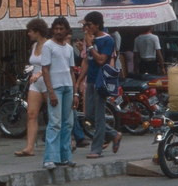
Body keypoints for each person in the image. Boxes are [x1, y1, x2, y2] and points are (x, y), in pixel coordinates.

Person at [77, 11, 121, 158]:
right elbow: (87, 62)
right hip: (90, 80)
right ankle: (113, 134)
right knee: (89, 115)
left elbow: (101, 60)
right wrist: (79, 81)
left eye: (89, 25)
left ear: (97, 25)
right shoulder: (89, 39)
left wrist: (90, 46)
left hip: (101, 81)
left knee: (99, 115)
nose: (86, 28)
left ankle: (96, 149)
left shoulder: (107, 40)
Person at [40, 15, 79, 170]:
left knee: (68, 123)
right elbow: (45, 70)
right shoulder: (48, 46)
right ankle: (50, 158)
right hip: (55, 88)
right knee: (55, 123)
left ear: (66, 30)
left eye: (61, 29)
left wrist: (75, 93)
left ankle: (65, 157)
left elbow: (71, 72)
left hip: (68, 87)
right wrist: (51, 92)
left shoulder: (69, 48)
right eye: (56, 28)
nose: (58, 31)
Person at [14, 17, 50, 158]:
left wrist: (39, 74)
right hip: (35, 83)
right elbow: (34, 64)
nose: (28, 34)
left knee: (53, 114)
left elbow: (50, 65)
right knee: (31, 114)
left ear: (37, 31)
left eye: (30, 31)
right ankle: (29, 147)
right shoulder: (34, 46)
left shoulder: (49, 45)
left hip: (47, 81)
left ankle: (65, 141)